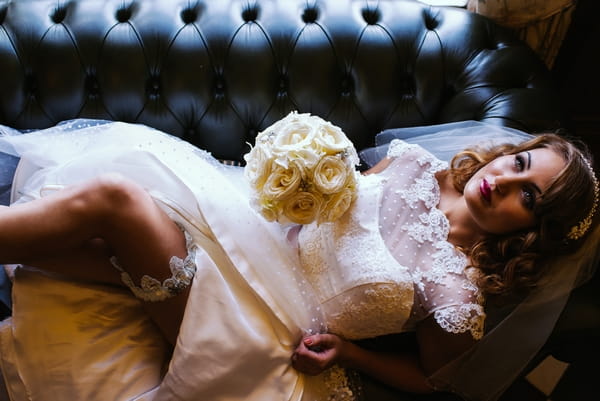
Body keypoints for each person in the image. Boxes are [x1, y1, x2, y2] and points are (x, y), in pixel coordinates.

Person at [0, 115, 597, 401]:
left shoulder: (459, 294)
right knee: (101, 242)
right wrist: (293, 186)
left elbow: (431, 382)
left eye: (529, 198)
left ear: (532, 232)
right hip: (240, 239)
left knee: (117, 200)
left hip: (259, 327)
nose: (504, 182)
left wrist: (352, 352)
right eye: (520, 164)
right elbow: (325, 208)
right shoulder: (412, 162)